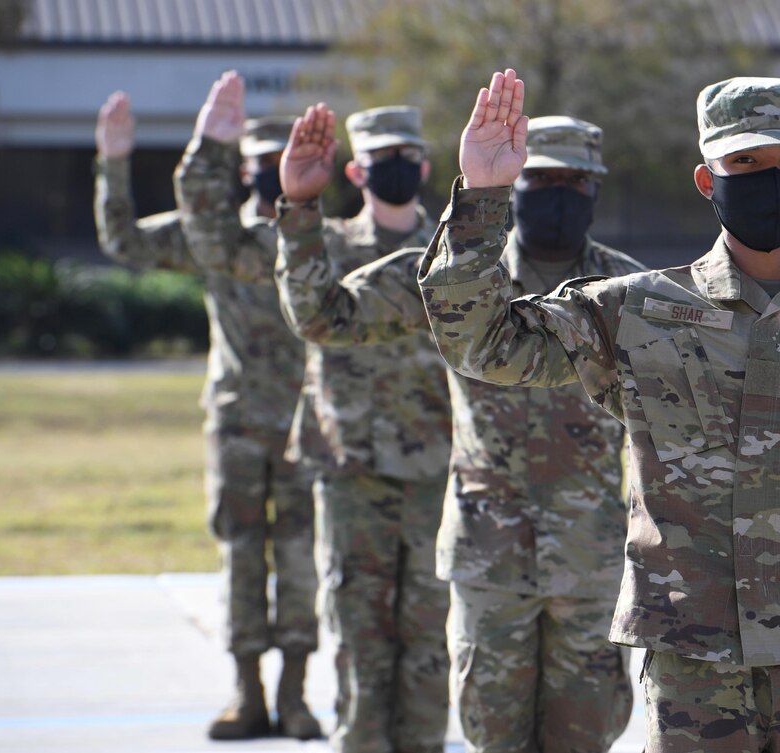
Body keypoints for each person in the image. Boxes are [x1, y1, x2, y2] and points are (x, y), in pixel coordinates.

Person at [417, 69, 780, 753]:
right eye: (746, 161)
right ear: (708, 179)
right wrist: (485, 199)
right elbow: (482, 343)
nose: (771, 176)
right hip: (691, 672)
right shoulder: (637, 312)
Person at [275, 103, 645, 753]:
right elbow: (324, 317)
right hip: (489, 559)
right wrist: (301, 208)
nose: (557, 198)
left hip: (588, 561)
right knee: (491, 733)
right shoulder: (457, 278)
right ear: (513, 184)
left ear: (596, 189)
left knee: (585, 737)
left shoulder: (626, 289)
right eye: (540, 181)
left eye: (573, 184)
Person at [175, 92, 453, 753]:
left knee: (428, 630)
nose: (393, 167)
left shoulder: (451, 252)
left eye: (405, 156)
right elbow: (215, 238)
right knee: (357, 627)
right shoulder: (317, 244)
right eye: (379, 157)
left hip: (434, 467)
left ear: (425, 164)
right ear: (354, 170)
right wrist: (212, 151)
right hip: (348, 464)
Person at [93, 76, 320, 741]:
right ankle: (247, 695)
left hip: (310, 425)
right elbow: (124, 242)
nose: (270, 175)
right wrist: (112, 163)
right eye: (261, 162)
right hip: (238, 422)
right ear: (245, 170)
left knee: (303, 558)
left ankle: (295, 696)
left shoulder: (320, 239)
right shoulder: (212, 237)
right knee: (242, 556)